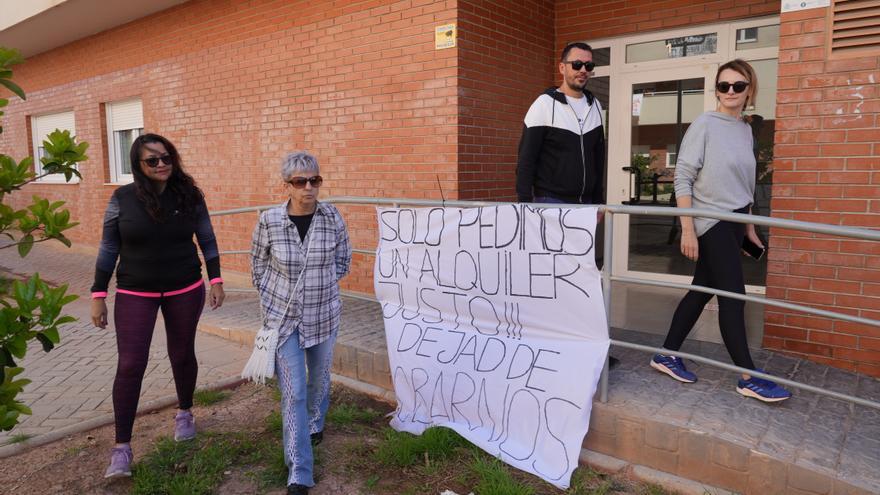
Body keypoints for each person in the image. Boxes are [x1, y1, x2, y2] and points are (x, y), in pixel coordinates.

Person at [650, 59, 791, 403]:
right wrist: (687, 229)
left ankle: (666, 353)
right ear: (716, 89)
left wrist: (750, 229)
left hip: (733, 222)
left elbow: (743, 186)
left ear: (750, 90)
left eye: (737, 86)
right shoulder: (704, 124)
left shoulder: (745, 129)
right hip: (708, 222)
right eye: (723, 85)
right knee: (733, 296)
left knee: (701, 290)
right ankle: (749, 377)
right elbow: (682, 177)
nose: (730, 92)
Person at [90, 133, 226, 478]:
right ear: (138, 166)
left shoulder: (190, 195)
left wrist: (217, 279)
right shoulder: (121, 199)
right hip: (137, 291)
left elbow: (207, 238)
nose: (162, 164)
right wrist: (98, 294)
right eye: (152, 160)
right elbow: (108, 249)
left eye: (166, 157)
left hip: (185, 285)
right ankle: (122, 447)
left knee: (181, 354)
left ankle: (184, 413)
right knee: (131, 364)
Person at [251, 152, 352, 495]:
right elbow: (258, 266)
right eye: (300, 181)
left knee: (320, 377)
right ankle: (299, 471)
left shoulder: (332, 217)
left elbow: (343, 259)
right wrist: (272, 302)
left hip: (323, 315)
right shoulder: (269, 221)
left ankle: (315, 421)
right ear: (287, 185)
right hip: (283, 321)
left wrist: (320, 290)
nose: (309, 187)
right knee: (293, 391)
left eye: (315, 180)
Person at [516, 40, 617, 366]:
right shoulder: (544, 104)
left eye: (589, 66)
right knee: (555, 280)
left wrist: (599, 202)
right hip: (550, 203)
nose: (584, 71)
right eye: (577, 65)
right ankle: (549, 349)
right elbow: (526, 159)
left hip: (585, 208)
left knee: (584, 278)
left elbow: (599, 158)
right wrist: (523, 206)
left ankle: (587, 350)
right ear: (562, 67)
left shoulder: (595, 106)